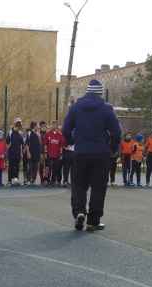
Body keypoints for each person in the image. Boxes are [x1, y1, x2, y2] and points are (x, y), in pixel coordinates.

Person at [62, 78, 122, 231]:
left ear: (87, 91)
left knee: (79, 184)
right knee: (99, 186)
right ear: (101, 92)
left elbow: (65, 130)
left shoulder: (75, 107)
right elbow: (117, 132)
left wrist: (72, 142)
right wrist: (113, 147)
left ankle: (79, 212)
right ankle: (93, 221)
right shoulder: (107, 108)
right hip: (101, 151)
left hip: (81, 151)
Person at [44, 120, 64, 187]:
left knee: (55, 168)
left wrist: (61, 153)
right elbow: (45, 144)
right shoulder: (48, 134)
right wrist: (45, 151)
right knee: (47, 167)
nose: (53, 126)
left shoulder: (60, 135)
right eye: (52, 125)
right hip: (49, 153)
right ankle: (46, 180)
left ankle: (53, 180)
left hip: (56, 154)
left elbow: (61, 145)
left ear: (57, 126)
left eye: (54, 125)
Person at [5, 117, 23, 185]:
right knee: (11, 167)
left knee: (17, 167)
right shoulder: (9, 133)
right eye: (17, 126)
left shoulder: (20, 133)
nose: (18, 128)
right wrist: (7, 152)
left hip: (18, 153)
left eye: (19, 126)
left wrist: (21, 152)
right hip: (11, 152)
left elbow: (21, 144)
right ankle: (10, 180)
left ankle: (16, 179)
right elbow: (7, 143)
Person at [25, 121, 41, 186]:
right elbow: (27, 144)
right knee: (30, 167)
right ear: (34, 126)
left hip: (36, 153)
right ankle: (28, 180)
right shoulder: (29, 133)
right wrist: (28, 153)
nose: (37, 127)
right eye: (37, 126)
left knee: (35, 167)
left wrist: (38, 136)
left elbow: (40, 143)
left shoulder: (38, 134)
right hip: (30, 153)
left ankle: (33, 180)